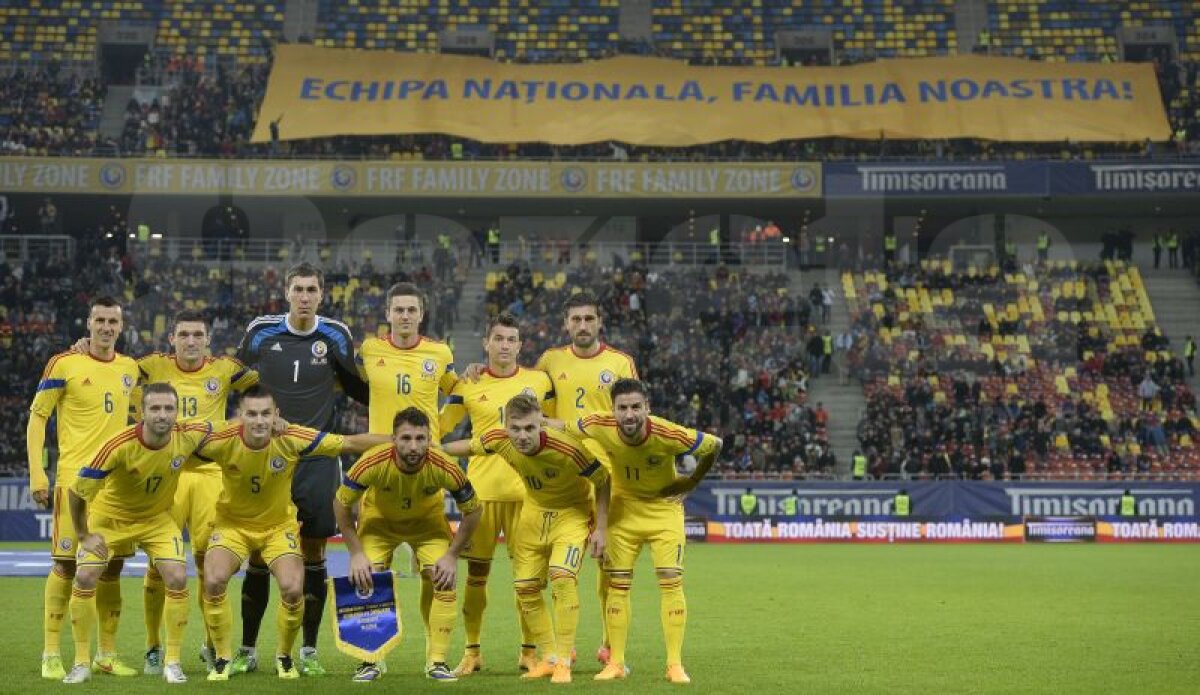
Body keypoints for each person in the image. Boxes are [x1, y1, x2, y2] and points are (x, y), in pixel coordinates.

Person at [195, 386, 387, 681]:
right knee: (214, 580)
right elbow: (178, 441)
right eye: (252, 414)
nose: (259, 421)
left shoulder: (291, 437)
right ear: (240, 416)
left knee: (293, 588)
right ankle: (222, 658)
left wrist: (395, 441)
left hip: (277, 528)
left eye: (265, 414)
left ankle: (284, 656)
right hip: (232, 526)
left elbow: (348, 442)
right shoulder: (223, 440)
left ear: (276, 416)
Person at [234, 263, 370, 676]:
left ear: (322, 294)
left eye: (312, 289)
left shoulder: (336, 334)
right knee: (259, 552)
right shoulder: (261, 330)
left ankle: (308, 650)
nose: (305, 296)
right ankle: (247, 649)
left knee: (313, 552)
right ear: (287, 292)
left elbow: (361, 390)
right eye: (299, 289)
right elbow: (229, 378)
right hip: (267, 458)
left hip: (317, 459)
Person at [445, 393, 608, 683]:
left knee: (561, 577)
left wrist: (602, 527)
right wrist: (431, 448)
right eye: (516, 428)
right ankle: (548, 657)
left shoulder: (568, 448)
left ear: (541, 425)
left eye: (530, 428)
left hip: (571, 515)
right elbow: (468, 447)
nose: (522, 436)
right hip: (533, 516)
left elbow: (603, 479)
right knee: (525, 588)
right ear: (506, 426)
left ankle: (564, 660)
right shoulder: (498, 439)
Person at [572, 379, 722, 684]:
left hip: (663, 510)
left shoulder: (668, 433)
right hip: (623, 510)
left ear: (647, 408)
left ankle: (674, 664)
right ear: (612, 410)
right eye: (623, 408)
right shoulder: (597, 425)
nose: (629, 415)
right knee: (618, 585)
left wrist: (692, 481)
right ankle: (616, 663)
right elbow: (561, 425)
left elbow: (715, 444)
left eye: (636, 407)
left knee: (670, 581)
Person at [133, 311, 258, 673]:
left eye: (197, 334)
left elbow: (264, 385)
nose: (190, 340)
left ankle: (210, 644)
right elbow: (114, 368)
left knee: (210, 565)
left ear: (208, 340)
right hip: (165, 477)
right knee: (158, 566)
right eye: (184, 334)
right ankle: (153, 647)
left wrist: (242, 423)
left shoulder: (225, 369)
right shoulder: (152, 365)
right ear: (171, 338)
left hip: (210, 476)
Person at [63, 384, 211, 684]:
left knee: (178, 577)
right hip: (110, 519)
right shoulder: (118, 445)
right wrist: (83, 534)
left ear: (176, 412)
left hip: (156, 520)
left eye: (169, 409)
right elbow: (77, 492)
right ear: (141, 412)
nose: (163, 415)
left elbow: (226, 429)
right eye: (155, 408)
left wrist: (268, 425)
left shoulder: (187, 435)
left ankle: (172, 662)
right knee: (85, 577)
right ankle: (81, 662)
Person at [28, 296, 141, 680]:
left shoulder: (130, 368)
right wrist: (37, 473)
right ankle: (50, 652)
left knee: (112, 566)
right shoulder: (64, 363)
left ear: (121, 327)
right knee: (66, 564)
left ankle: (106, 655)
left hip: (117, 486)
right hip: (74, 481)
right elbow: (37, 418)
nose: (106, 327)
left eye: (113, 321)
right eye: (100, 320)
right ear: (88, 323)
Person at [334, 408, 484, 683]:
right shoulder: (371, 462)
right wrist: (355, 552)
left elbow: (474, 510)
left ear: (429, 439)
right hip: (379, 525)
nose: (413, 446)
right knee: (367, 578)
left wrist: (452, 555)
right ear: (393, 439)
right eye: (405, 438)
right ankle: (371, 660)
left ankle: (436, 661)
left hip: (427, 526)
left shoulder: (444, 465)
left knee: (443, 579)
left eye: (420, 438)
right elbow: (341, 504)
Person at [440, 313, 551, 676]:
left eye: (511, 339)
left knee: (530, 579)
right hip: (481, 496)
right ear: (486, 343)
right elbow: (440, 426)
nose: (505, 345)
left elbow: (554, 428)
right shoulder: (467, 383)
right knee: (476, 577)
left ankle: (530, 652)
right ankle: (472, 652)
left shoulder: (539, 382)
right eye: (498, 338)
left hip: (529, 496)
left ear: (520, 345)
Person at [531, 291, 639, 667]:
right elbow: (533, 413)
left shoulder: (621, 362)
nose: (581, 325)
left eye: (588, 319)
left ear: (599, 322)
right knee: (559, 569)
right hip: (565, 477)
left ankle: (611, 647)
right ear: (565, 323)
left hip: (610, 475)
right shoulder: (549, 360)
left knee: (611, 566)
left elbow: (635, 418)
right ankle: (564, 647)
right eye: (575, 319)